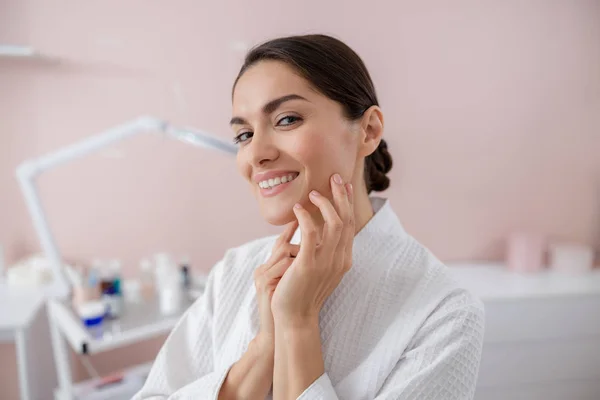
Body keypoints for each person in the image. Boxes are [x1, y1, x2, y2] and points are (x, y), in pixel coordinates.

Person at [133, 34, 484, 400]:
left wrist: (297, 324)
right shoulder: (235, 272)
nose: (256, 154)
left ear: (369, 131)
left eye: (286, 119)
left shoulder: (445, 313)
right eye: (244, 134)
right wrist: (264, 348)